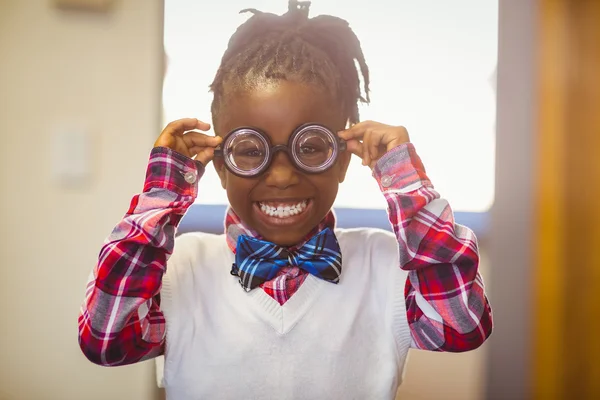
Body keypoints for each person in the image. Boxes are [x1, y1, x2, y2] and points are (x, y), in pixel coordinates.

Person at [78, 1, 492, 398]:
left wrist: (404, 180)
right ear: (219, 166)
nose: (281, 175)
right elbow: (107, 340)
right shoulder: (180, 269)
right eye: (251, 150)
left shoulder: (384, 265)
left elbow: (462, 326)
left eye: (310, 147)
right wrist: (165, 191)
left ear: (343, 160)